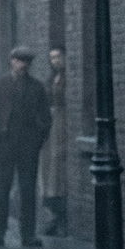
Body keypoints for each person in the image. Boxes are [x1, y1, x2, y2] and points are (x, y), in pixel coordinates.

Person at [0, 45, 51, 247]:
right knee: (1, 191)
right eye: (19, 61)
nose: (22, 65)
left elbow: (46, 117)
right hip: (4, 147)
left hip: (28, 148)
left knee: (28, 190)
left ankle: (28, 235)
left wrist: (38, 139)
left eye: (26, 62)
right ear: (12, 61)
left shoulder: (37, 88)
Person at [40, 47, 69, 236]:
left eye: (58, 57)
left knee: (59, 167)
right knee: (49, 168)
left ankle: (60, 216)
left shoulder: (67, 79)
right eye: (52, 58)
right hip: (52, 126)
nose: (55, 61)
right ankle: (52, 214)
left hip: (63, 124)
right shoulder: (50, 80)